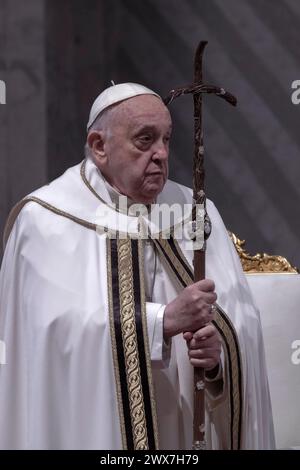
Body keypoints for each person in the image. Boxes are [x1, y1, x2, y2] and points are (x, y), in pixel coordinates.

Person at [0, 83, 275, 450]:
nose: (161, 154)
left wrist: (217, 362)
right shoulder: (46, 220)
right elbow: (49, 339)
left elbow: (242, 324)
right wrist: (161, 322)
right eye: (145, 140)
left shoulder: (195, 213)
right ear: (100, 147)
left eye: (166, 139)